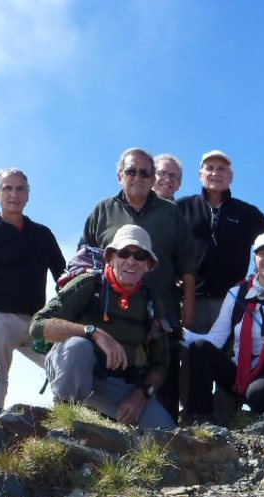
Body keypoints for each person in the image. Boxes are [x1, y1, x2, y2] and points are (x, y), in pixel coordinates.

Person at [80, 147, 198, 412]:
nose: (138, 177)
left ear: (153, 178)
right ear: (120, 175)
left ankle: (164, 429)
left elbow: (187, 260)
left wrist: (189, 304)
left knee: (164, 369)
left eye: (145, 173)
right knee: (103, 365)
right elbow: (84, 257)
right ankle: (94, 419)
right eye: (131, 171)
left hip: (161, 309)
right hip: (108, 311)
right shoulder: (102, 210)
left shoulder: (171, 213)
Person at [30, 225, 174, 429]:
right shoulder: (89, 283)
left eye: (140, 256)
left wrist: (141, 395)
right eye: (124, 253)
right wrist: (93, 332)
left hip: (115, 384)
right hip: (74, 371)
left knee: (166, 431)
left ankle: (104, 420)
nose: (131, 261)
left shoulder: (150, 301)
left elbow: (161, 364)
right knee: (78, 346)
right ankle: (64, 419)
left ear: (148, 265)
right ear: (111, 258)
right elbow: (37, 325)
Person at [0, 168, 66, 416]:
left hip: (36, 322)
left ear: (28, 194)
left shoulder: (42, 234)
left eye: (20, 189)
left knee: (67, 365)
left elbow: (63, 277)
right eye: (7, 188)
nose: (14, 194)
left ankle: (69, 422)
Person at [185, 234, 264, 420]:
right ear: (255, 259)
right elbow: (217, 338)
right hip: (238, 368)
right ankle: (200, 419)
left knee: (258, 395)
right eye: (263, 254)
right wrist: (182, 335)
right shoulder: (236, 294)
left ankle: (259, 416)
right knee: (200, 348)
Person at [177, 150, 264, 334]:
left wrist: (254, 280)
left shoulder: (248, 213)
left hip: (233, 302)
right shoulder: (182, 207)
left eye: (222, 169)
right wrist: (174, 276)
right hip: (188, 300)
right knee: (185, 351)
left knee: (229, 351)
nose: (215, 173)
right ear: (200, 175)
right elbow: (165, 248)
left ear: (231, 177)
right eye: (210, 168)